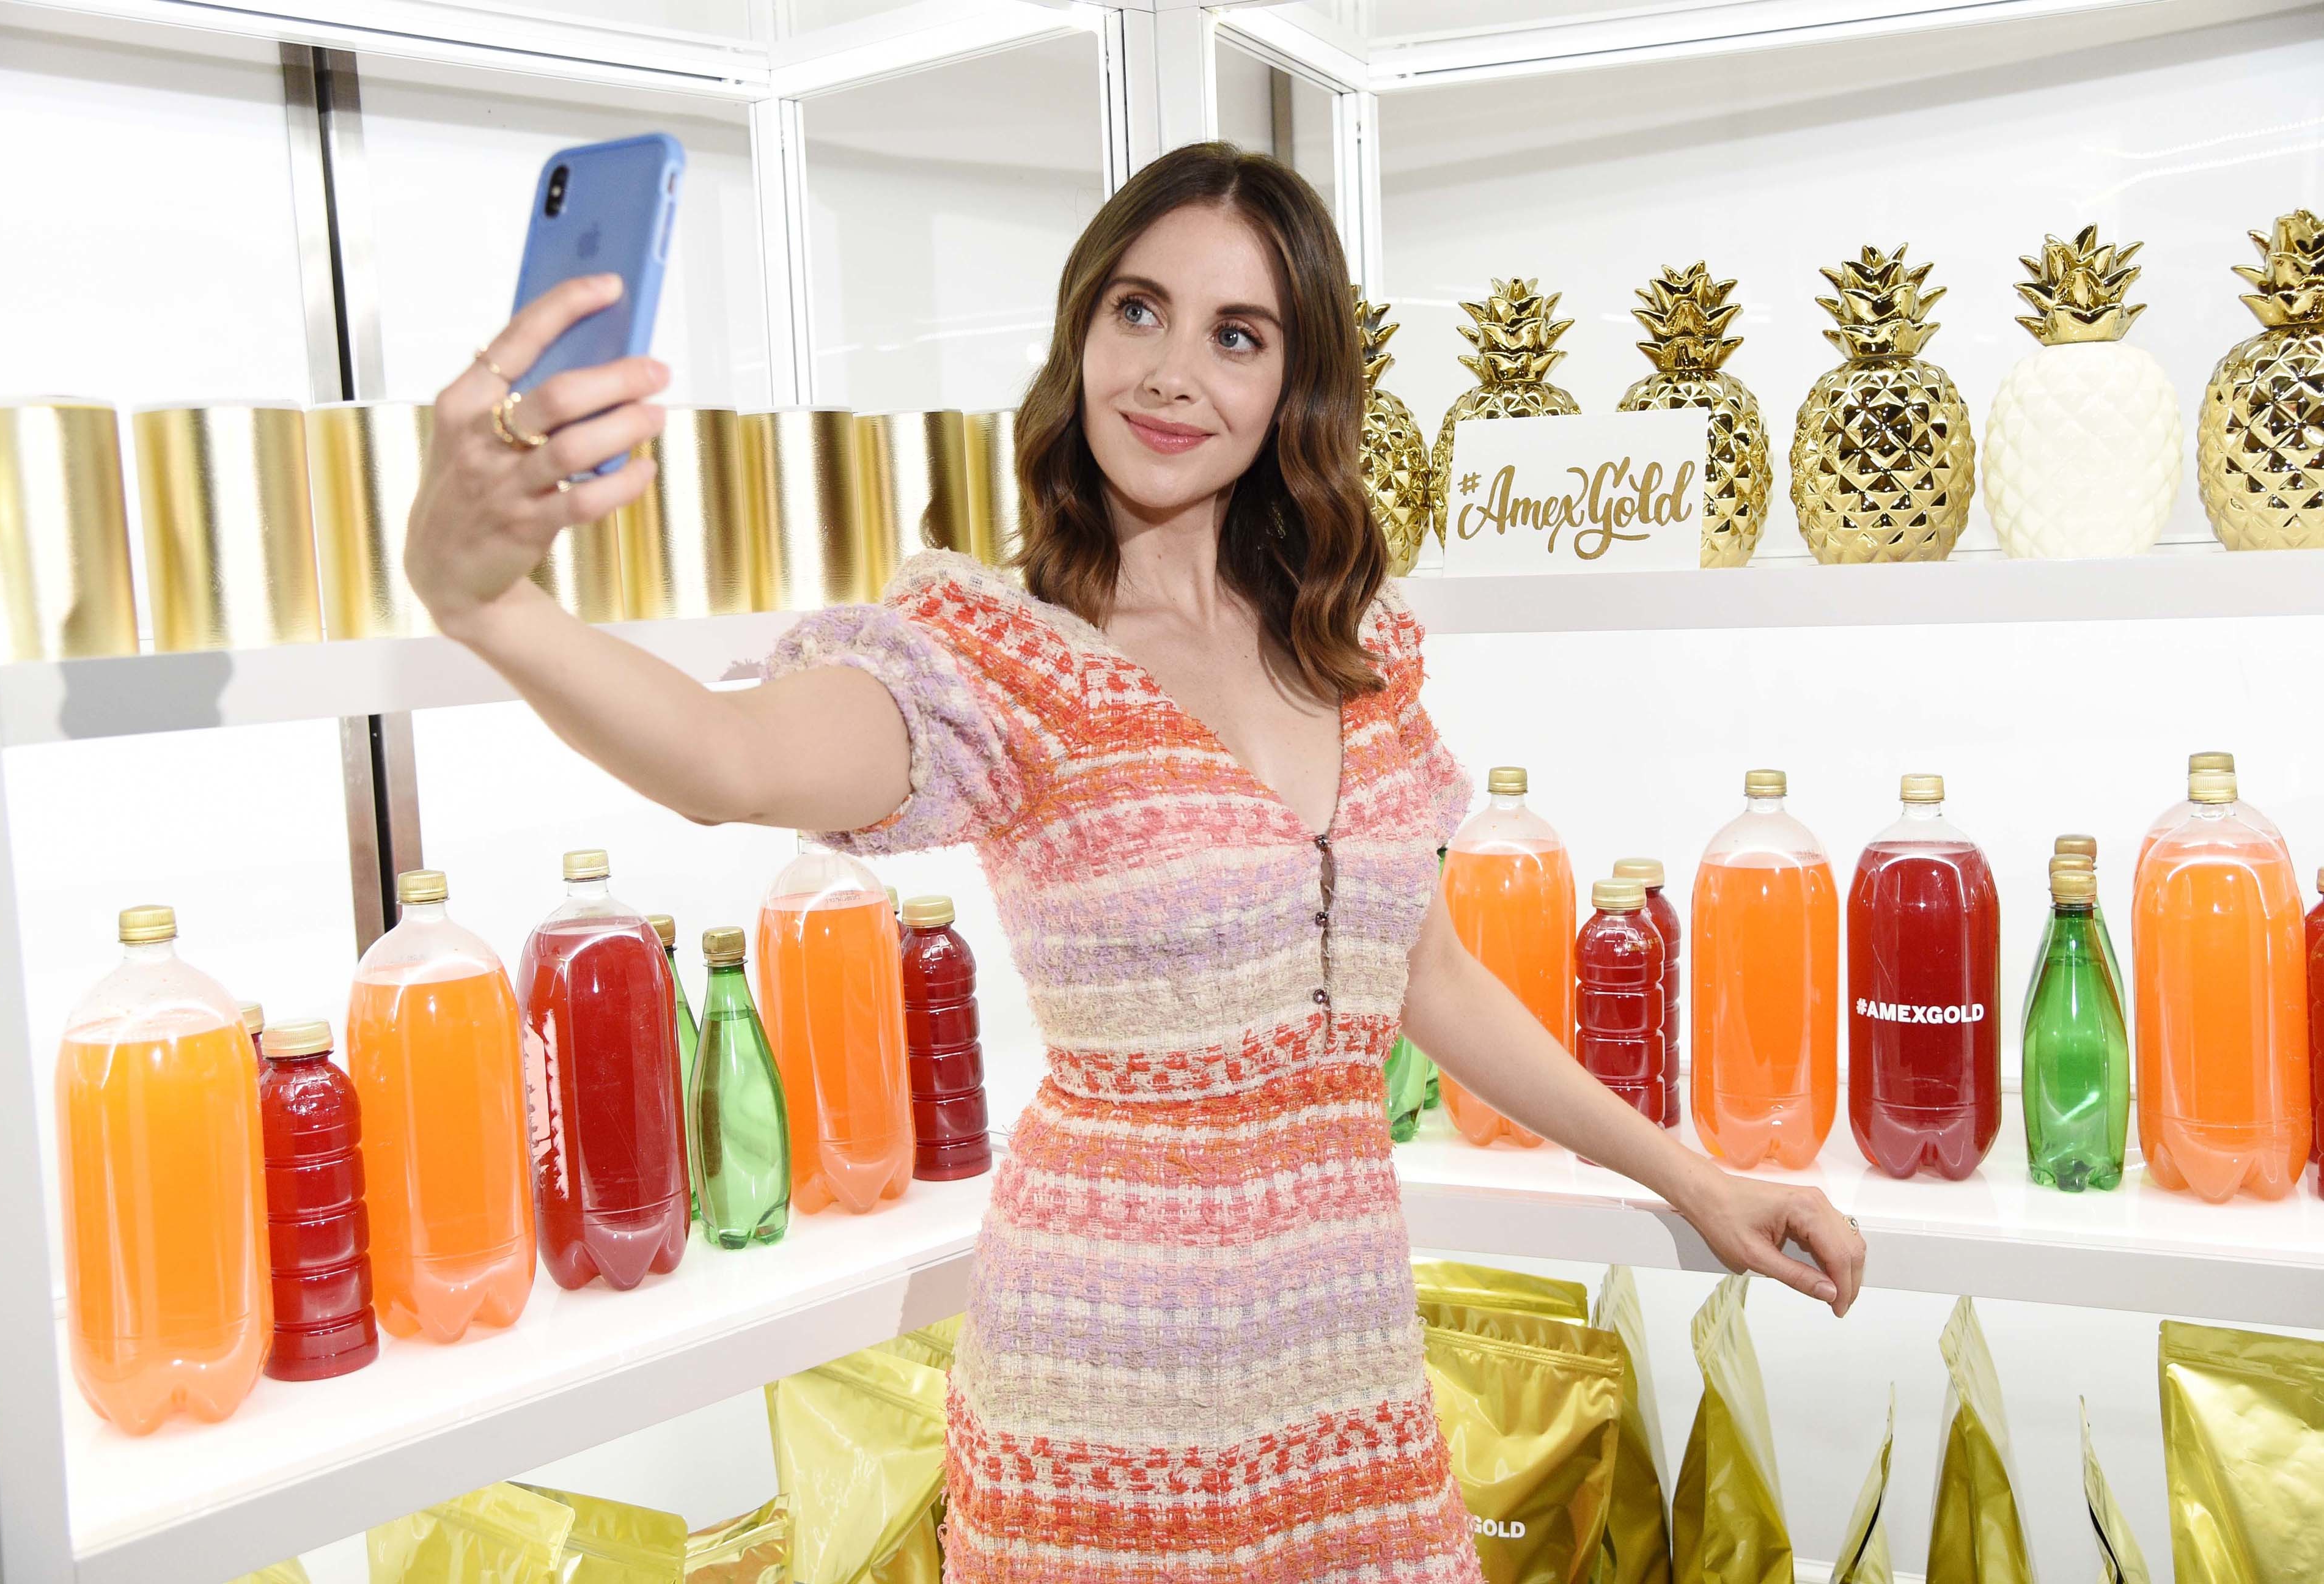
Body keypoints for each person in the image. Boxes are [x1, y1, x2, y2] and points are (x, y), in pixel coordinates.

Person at [406, 140, 1864, 1582]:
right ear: (1081, 334)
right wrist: (487, 607)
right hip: (1099, 1387)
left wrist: (1695, 1181)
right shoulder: (1001, 660)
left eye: (1237, 336)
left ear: (1295, 386)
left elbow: (1428, 976)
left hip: (1344, 1368)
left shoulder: (1355, 648)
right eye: (1138, 310)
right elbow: (730, 761)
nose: (1172, 373)